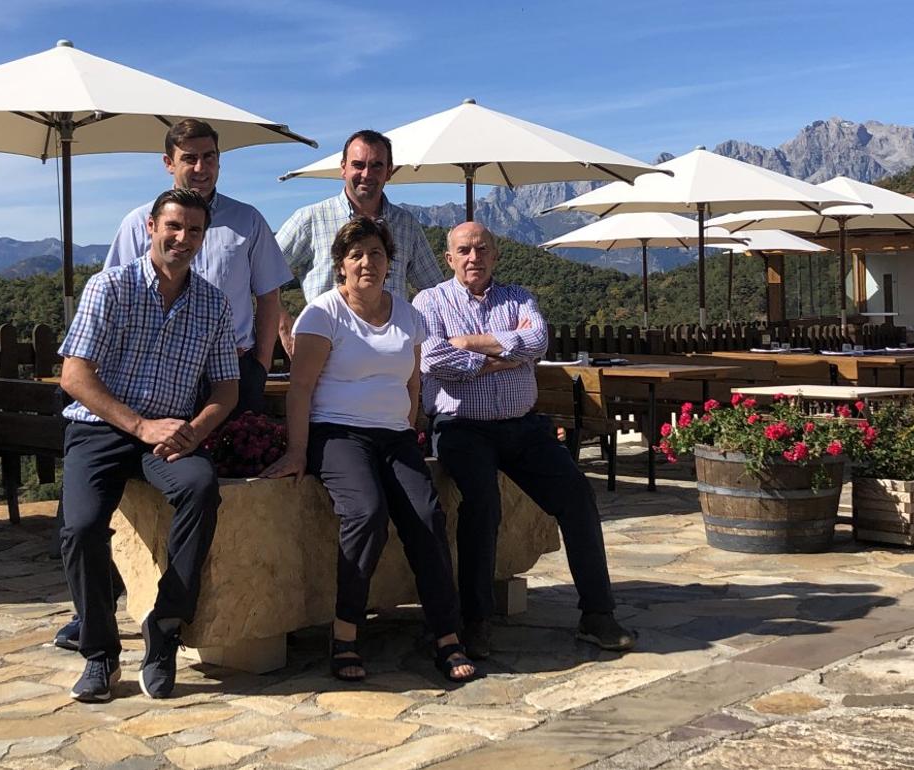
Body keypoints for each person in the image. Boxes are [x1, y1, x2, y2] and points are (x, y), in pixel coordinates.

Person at [261, 218, 476, 684]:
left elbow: (414, 381)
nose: (367, 263)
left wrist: (408, 427)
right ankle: (345, 633)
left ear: (388, 262)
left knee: (427, 516)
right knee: (366, 514)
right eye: (356, 254)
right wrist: (298, 451)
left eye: (376, 254)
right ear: (341, 264)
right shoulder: (322, 315)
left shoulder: (408, 315)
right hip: (337, 434)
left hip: (394, 436)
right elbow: (300, 390)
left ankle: (445, 634)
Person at [413, 221, 635, 660]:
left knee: (576, 496)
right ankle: (475, 621)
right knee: (482, 504)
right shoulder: (428, 301)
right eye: (464, 250)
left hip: (522, 425)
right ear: (449, 258)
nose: (473, 257)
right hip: (461, 427)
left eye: (481, 249)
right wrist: (505, 356)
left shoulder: (519, 297)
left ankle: (598, 614)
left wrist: (474, 348)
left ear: (495, 255)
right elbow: (434, 356)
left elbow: (538, 340)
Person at [58, 188, 239, 703]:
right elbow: (75, 376)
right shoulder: (109, 287)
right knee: (81, 527)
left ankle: (165, 631)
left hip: (170, 435)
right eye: (174, 227)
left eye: (195, 231)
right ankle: (100, 653)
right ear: (151, 228)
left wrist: (194, 430)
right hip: (100, 426)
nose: (183, 239)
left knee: (201, 487)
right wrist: (139, 426)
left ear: (204, 238)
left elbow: (226, 389)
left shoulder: (212, 303)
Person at [106, 118, 289, 416]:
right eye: (189, 159)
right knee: (165, 456)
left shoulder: (248, 220)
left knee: (233, 460)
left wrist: (260, 365)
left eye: (209, 157)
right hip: (156, 371)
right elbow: (117, 299)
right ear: (168, 163)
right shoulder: (138, 224)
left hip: (233, 370)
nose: (201, 168)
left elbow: (269, 295)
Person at [276, 129, 443, 356]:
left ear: (389, 171)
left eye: (376, 165)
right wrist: (285, 327)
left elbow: (435, 292)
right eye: (358, 165)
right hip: (327, 356)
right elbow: (264, 276)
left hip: (391, 357)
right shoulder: (310, 219)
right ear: (343, 167)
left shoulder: (405, 225)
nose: (367, 174)